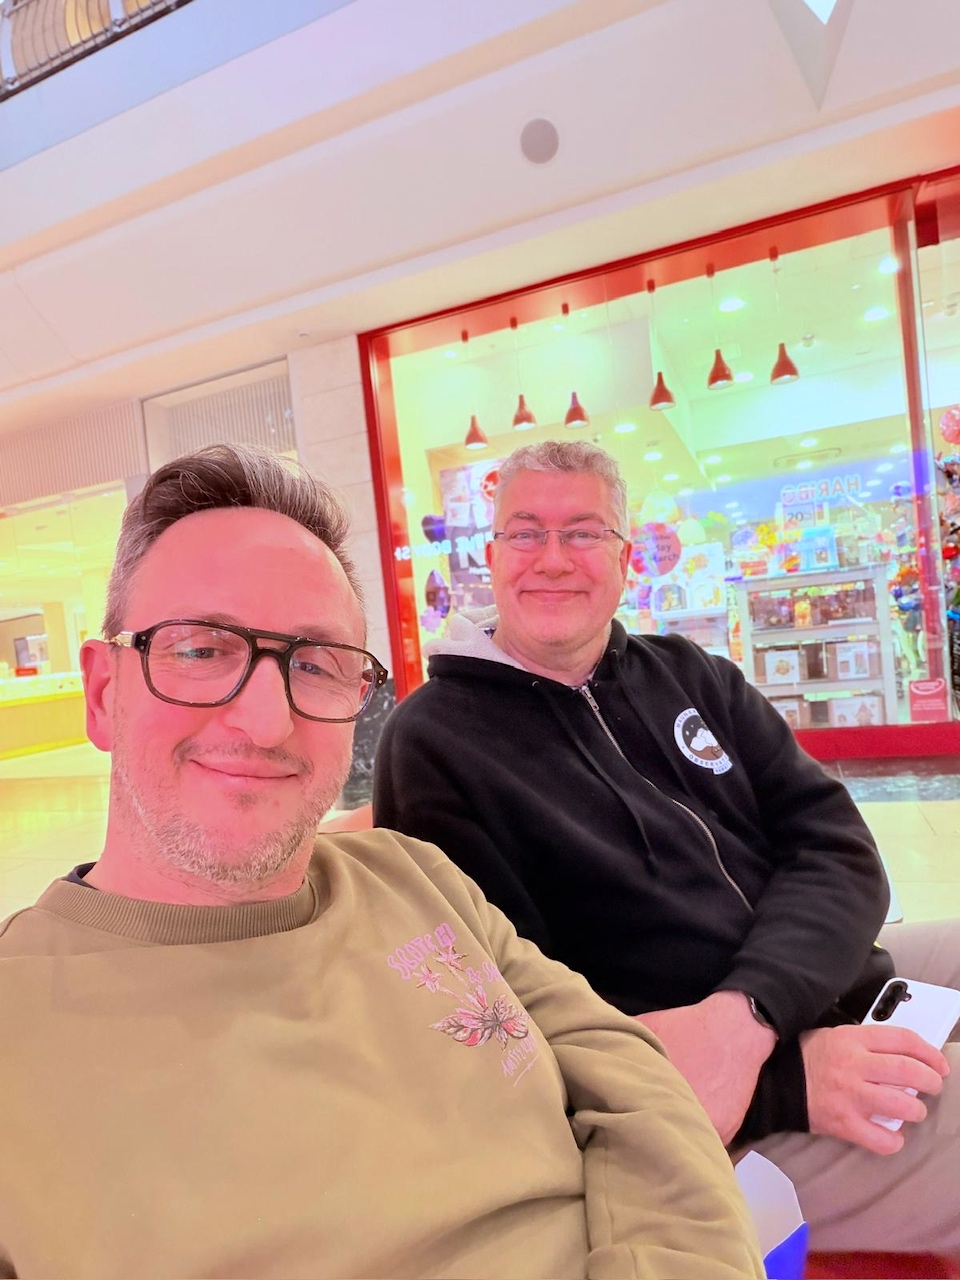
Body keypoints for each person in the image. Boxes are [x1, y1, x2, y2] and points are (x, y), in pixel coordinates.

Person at [0, 443, 764, 1280]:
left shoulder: (413, 877)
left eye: (316, 665)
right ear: (104, 692)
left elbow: (630, 1074)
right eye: (200, 649)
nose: (265, 721)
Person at [373, 438, 960, 1257]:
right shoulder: (435, 742)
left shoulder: (692, 675)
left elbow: (839, 851)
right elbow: (501, 1021)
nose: (553, 558)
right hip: (702, 1117)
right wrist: (784, 1081)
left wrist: (750, 1017)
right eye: (526, 532)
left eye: (583, 532)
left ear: (624, 559)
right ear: (491, 555)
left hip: (805, 1000)